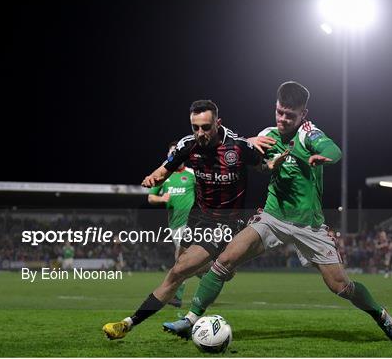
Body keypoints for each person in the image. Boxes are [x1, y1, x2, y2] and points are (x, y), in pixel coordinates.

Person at [163, 81, 392, 342]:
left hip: (308, 225)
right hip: (272, 217)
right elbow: (237, 149)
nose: (283, 119)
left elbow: (333, 149)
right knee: (225, 260)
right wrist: (249, 141)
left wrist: (324, 156)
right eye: (280, 112)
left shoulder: (308, 134)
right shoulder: (268, 134)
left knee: (341, 286)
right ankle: (190, 320)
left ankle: (381, 316)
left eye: (290, 115)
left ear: (304, 114)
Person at [102, 99, 270, 340]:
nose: (200, 133)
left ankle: (127, 324)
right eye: (195, 127)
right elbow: (164, 170)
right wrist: (153, 178)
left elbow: (267, 166)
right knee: (182, 265)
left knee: (177, 271)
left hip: (225, 222)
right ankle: (222, 268)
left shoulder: (238, 146)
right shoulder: (187, 145)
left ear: (217, 123)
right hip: (197, 217)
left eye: (205, 127)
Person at [148, 141, 196, 307]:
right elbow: (150, 197)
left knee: (182, 258)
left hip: (193, 223)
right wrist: (161, 198)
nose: (174, 155)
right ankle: (211, 274)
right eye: (172, 153)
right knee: (190, 261)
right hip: (175, 224)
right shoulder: (163, 176)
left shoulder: (192, 174)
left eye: (177, 152)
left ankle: (176, 296)